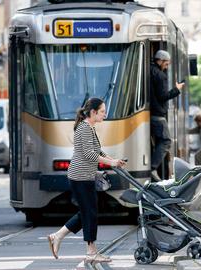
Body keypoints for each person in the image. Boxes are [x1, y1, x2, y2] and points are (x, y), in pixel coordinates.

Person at [47, 98, 126, 264]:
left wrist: (114, 160)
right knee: (89, 213)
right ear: (93, 112)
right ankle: (90, 252)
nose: (105, 114)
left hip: (84, 176)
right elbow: (89, 154)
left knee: (87, 212)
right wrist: (110, 163)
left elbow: (97, 150)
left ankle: (58, 236)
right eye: (103, 111)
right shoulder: (84, 128)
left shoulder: (89, 127)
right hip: (80, 177)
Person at [150, 50, 185, 180]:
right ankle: (153, 168)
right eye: (166, 63)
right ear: (160, 61)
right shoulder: (160, 75)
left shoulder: (149, 71)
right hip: (158, 114)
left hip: (151, 113)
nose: (167, 66)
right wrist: (177, 89)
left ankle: (161, 174)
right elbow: (163, 96)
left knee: (159, 143)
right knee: (166, 141)